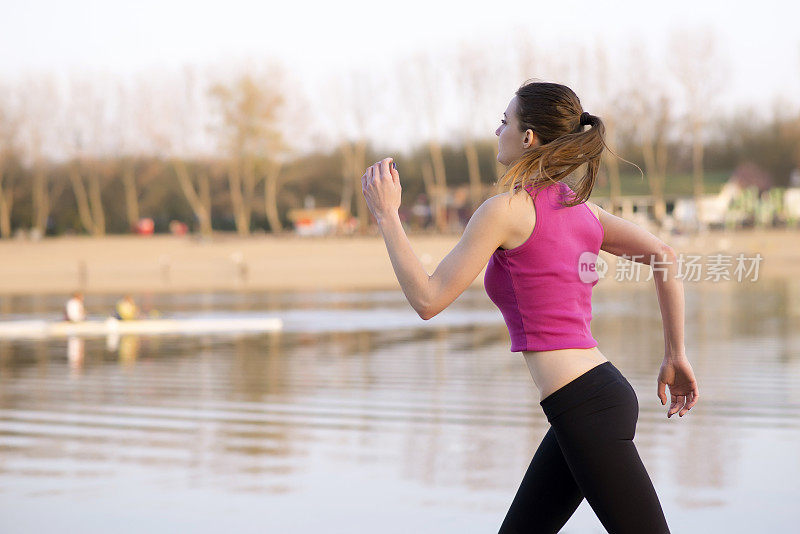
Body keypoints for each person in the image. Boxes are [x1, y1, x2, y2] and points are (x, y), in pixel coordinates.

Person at [361, 80, 699, 533]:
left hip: (586, 408)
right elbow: (664, 255)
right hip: (589, 400)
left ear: (527, 137)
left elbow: (427, 299)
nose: (496, 129)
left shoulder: (506, 210)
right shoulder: (582, 210)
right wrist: (675, 354)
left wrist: (387, 217)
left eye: (505, 121)